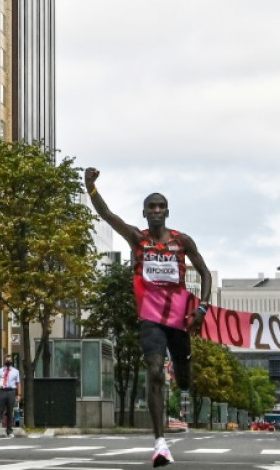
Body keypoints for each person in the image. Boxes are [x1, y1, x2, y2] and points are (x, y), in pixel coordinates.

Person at [85, 167, 212, 467]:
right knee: (154, 370)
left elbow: (205, 273)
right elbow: (107, 215)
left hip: (180, 318)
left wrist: (203, 308)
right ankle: (159, 443)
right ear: (144, 213)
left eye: (160, 207)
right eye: (151, 207)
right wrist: (90, 187)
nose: (156, 211)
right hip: (150, 318)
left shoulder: (183, 242)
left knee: (183, 372)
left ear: (167, 212)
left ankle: (181, 380)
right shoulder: (137, 239)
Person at [0, 354, 21, 438]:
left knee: (10, 412)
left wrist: (19, 394)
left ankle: (9, 431)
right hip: (2, 391)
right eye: (7, 360)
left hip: (11, 391)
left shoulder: (16, 371)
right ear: (4, 361)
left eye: (10, 360)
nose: (8, 361)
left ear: (12, 361)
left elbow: (18, 383)